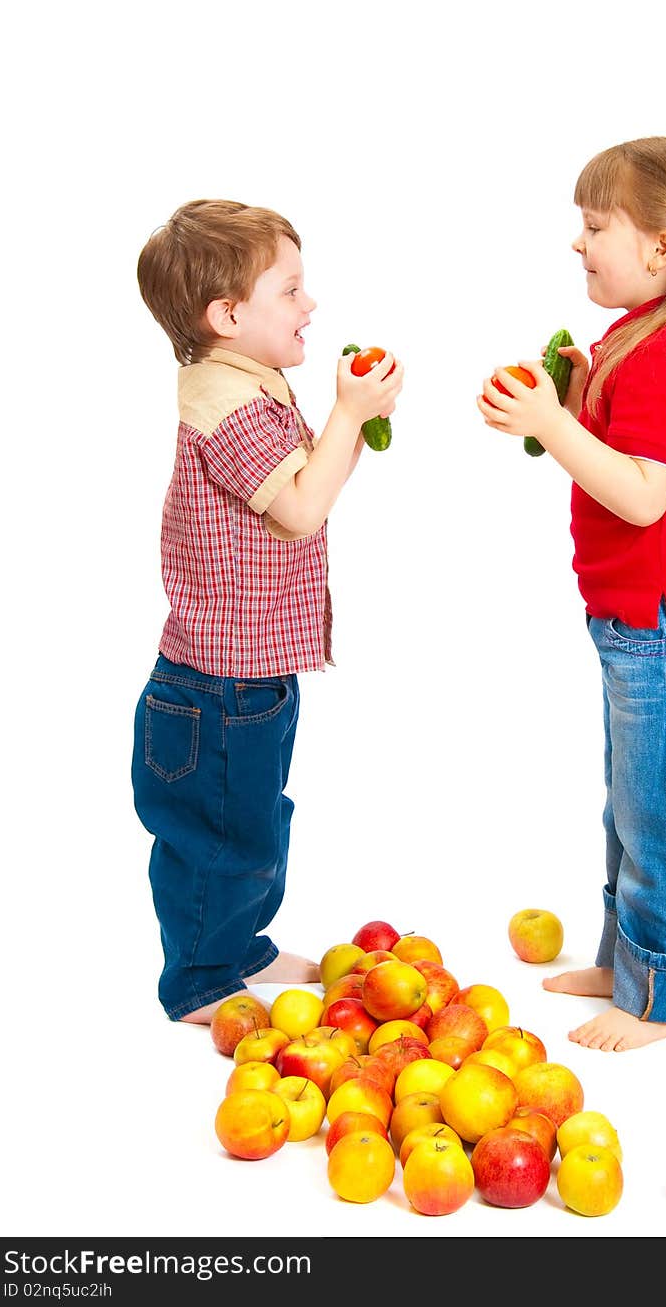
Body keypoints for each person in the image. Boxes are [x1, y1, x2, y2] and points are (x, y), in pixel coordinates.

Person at [477, 137, 666, 1052]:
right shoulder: (633, 335)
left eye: (596, 226)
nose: (579, 243)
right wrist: (566, 396)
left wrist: (553, 423)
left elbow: (641, 493)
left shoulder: (663, 352)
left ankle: (665, 994)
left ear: (663, 249)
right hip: (640, 621)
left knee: (660, 810)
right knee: (628, 801)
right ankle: (626, 956)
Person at [132, 199, 403, 1024]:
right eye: (289, 290)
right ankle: (200, 983)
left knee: (252, 817)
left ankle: (239, 942)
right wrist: (350, 418)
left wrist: (355, 424)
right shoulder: (233, 404)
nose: (309, 305)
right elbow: (300, 508)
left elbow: (306, 487)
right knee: (221, 833)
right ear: (227, 316)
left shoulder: (245, 380)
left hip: (249, 669)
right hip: (219, 686)